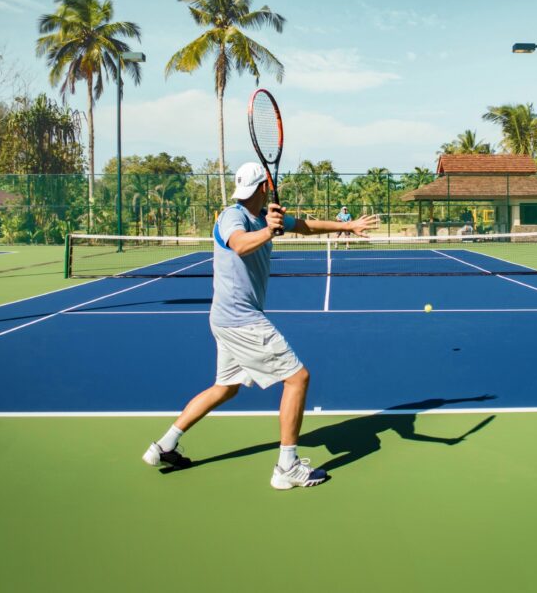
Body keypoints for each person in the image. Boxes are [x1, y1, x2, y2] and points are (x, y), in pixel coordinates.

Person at [142, 162, 380, 489]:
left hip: (226, 319)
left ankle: (164, 444)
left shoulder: (264, 215)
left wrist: (349, 226)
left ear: (260, 189)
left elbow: (305, 226)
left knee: (225, 388)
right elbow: (239, 244)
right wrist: (269, 231)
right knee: (298, 379)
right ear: (264, 188)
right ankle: (287, 468)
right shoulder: (232, 217)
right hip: (241, 320)